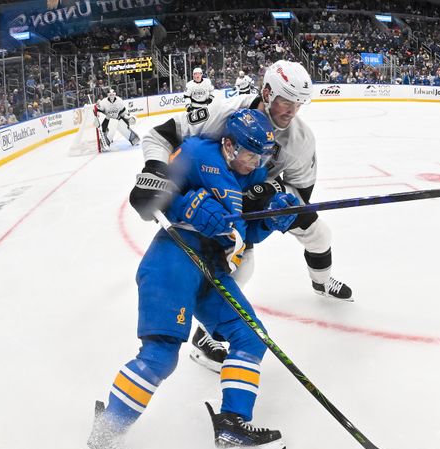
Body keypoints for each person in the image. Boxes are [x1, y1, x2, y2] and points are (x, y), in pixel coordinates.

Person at [84, 109, 300, 449]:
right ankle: (104, 436)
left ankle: (233, 422)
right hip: (175, 255)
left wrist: (271, 220)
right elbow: (150, 196)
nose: (257, 162)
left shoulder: (251, 175)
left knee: (250, 338)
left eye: (263, 156)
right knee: (161, 354)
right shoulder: (199, 152)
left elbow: (243, 234)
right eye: (252, 153)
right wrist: (189, 207)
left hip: (213, 270)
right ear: (229, 145)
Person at [136, 60, 354, 370]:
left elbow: (301, 196)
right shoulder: (224, 112)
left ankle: (322, 281)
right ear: (266, 92)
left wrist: (271, 200)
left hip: (260, 202)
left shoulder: (301, 141)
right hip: (217, 196)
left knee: (321, 234)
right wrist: (155, 171)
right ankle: (205, 335)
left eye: (299, 104)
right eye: (286, 101)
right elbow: (159, 136)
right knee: (240, 268)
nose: (292, 111)